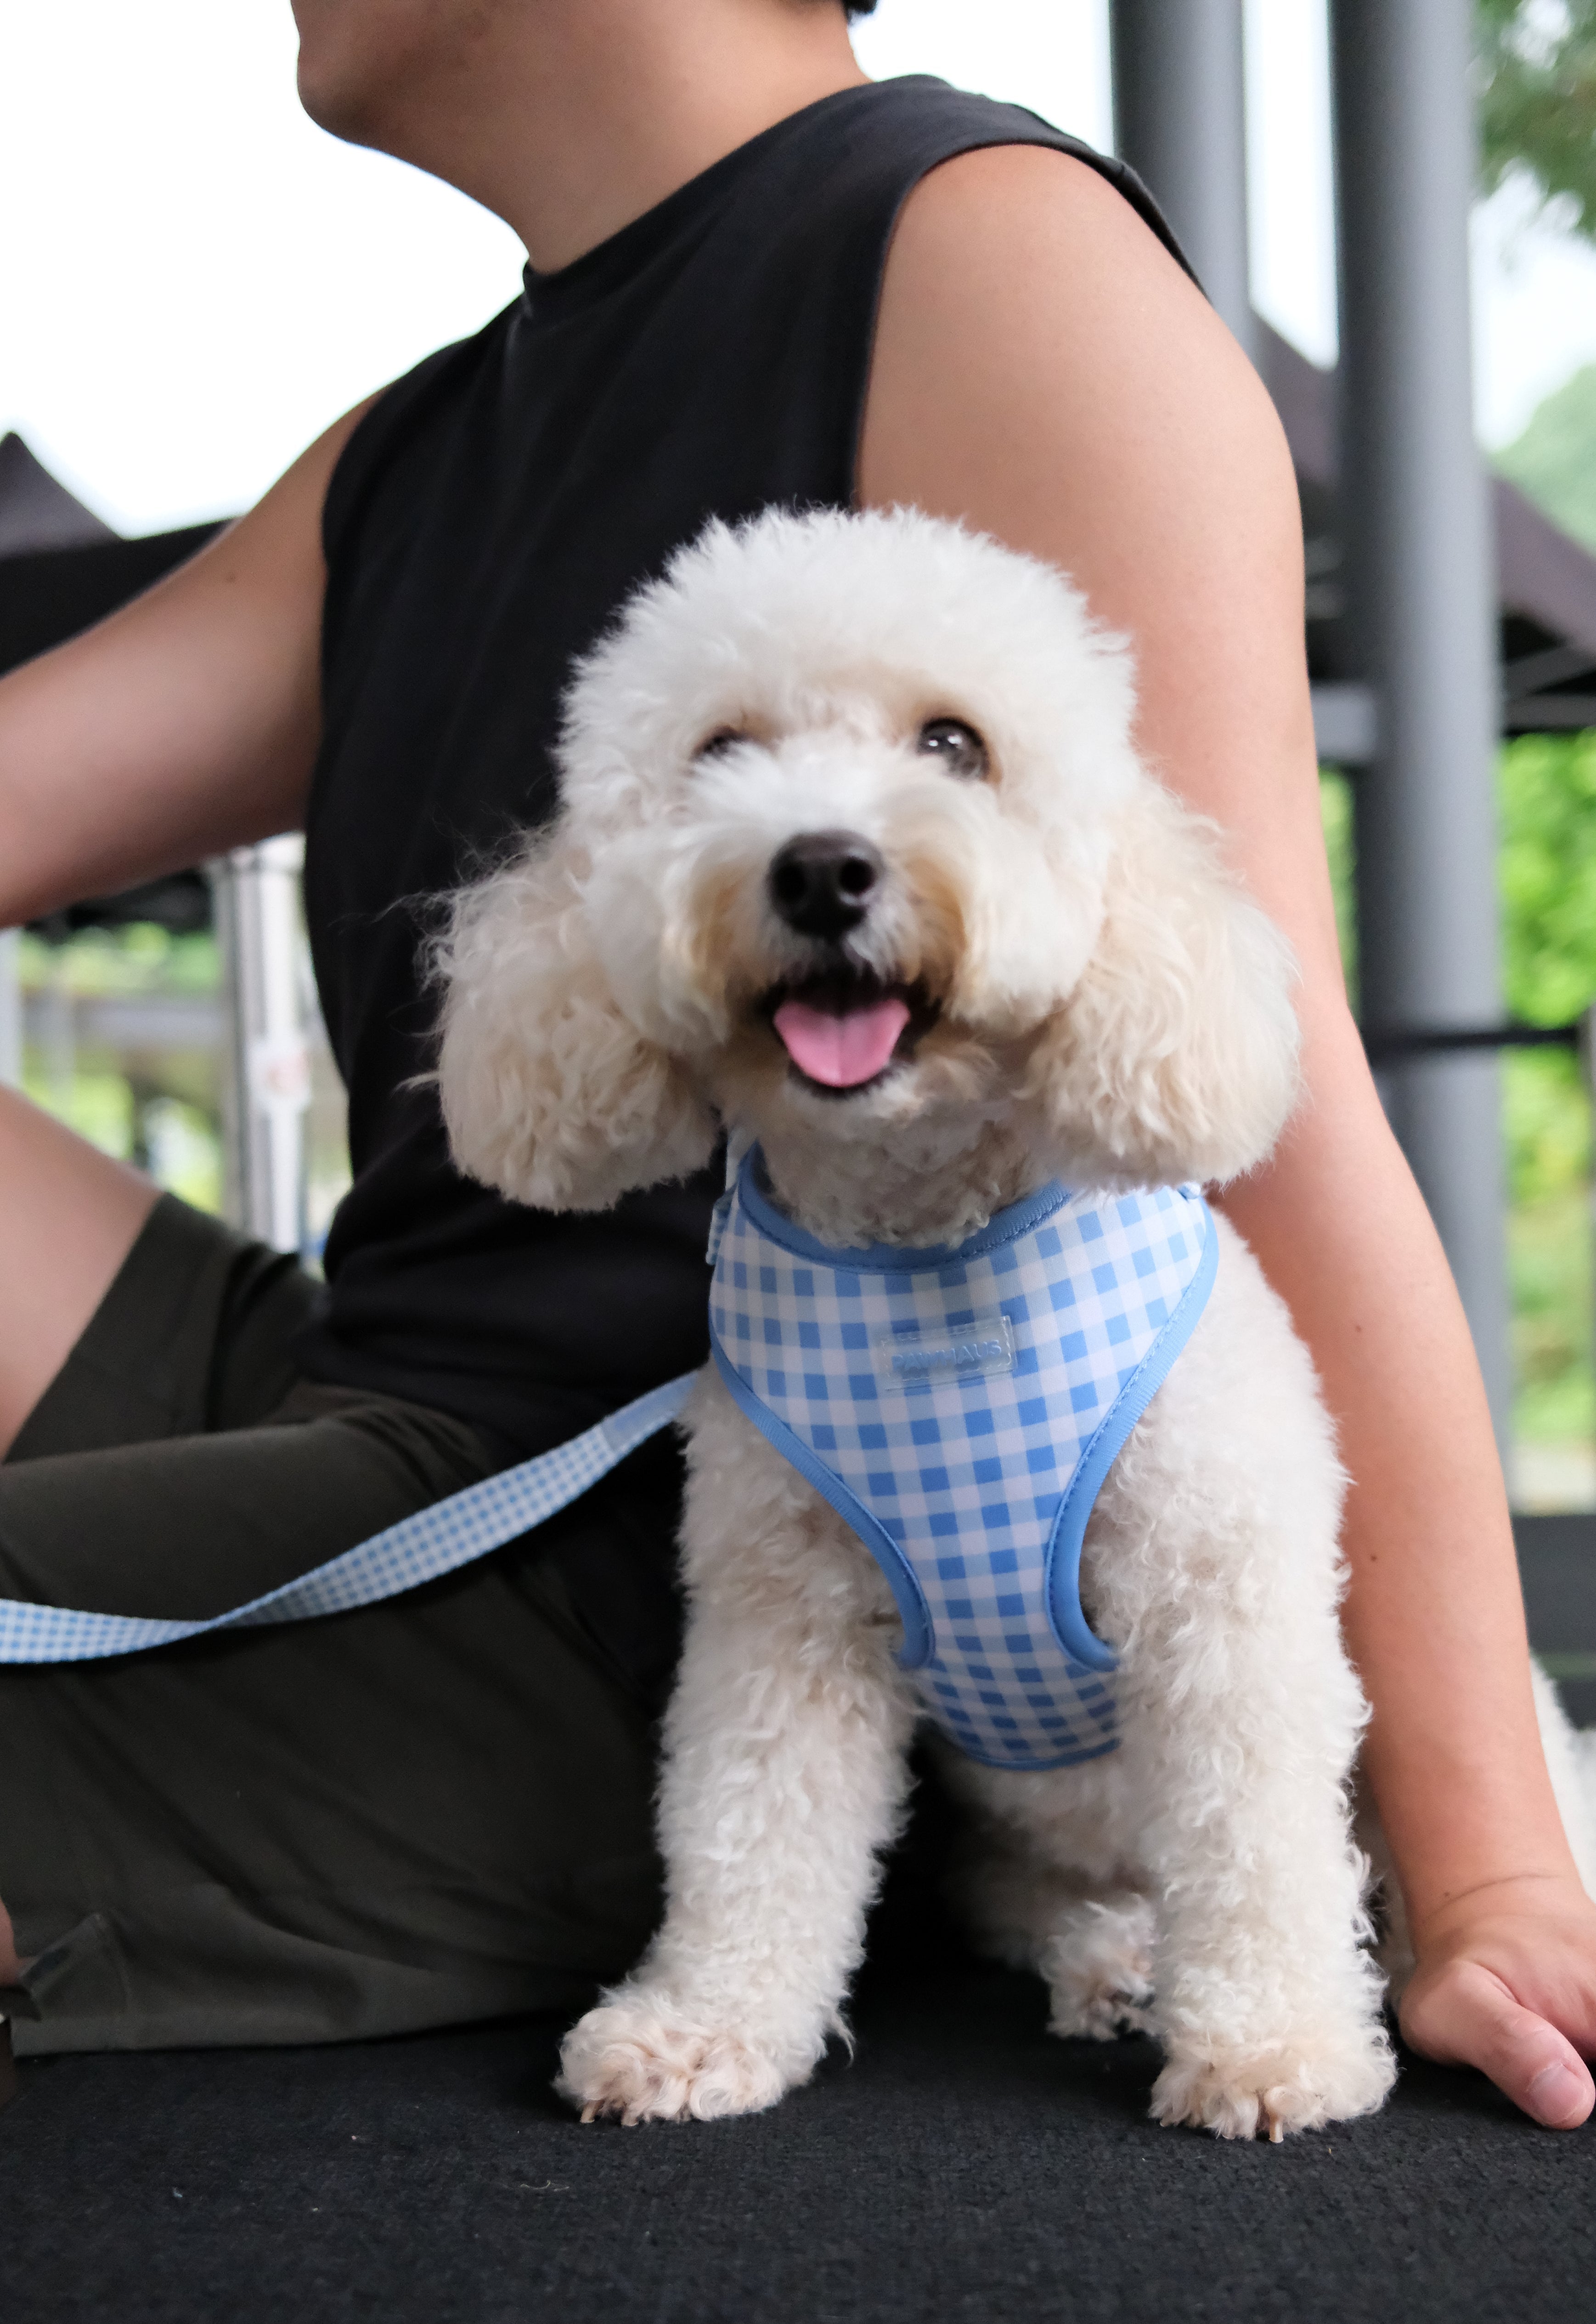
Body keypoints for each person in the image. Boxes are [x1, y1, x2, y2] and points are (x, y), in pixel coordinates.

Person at [1, 0, 1592, 2125]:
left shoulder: (985, 261)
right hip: (372, 1381)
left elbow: (1266, 1111)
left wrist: (1487, 1863)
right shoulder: (408, 440)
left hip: (616, 1546)